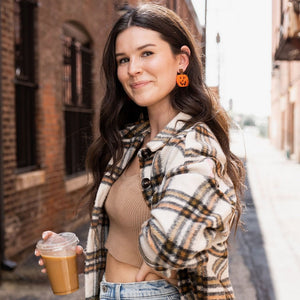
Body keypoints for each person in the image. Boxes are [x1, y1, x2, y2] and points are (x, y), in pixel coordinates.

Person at [36, 3, 245, 299]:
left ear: (181, 60)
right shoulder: (132, 140)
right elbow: (130, 236)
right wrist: (88, 259)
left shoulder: (193, 144)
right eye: (123, 59)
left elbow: (171, 242)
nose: (133, 69)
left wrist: (158, 259)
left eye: (147, 53)